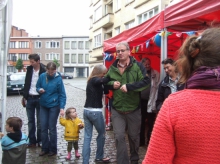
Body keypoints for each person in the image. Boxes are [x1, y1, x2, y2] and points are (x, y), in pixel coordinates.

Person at [143, 28, 220, 163]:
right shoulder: (165, 86)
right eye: (165, 68)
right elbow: (159, 98)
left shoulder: (174, 105)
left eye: (168, 67)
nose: (166, 70)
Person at [105, 42, 150, 164]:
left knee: (134, 137)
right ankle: (122, 161)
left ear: (129, 51)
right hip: (117, 109)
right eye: (118, 51)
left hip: (133, 109)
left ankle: (134, 159)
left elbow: (146, 81)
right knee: (119, 136)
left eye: (122, 50)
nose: (120, 53)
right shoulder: (113, 68)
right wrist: (111, 85)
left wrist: (130, 87)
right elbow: (105, 82)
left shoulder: (138, 66)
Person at [36, 62, 66, 157]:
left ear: (55, 70)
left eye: (52, 72)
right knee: (43, 127)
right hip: (43, 105)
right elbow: (37, 86)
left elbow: (62, 94)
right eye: (48, 72)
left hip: (54, 105)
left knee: (52, 128)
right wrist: (39, 89)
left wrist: (61, 107)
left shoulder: (58, 78)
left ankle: (53, 149)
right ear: (46, 70)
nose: (50, 74)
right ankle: (45, 148)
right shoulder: (42, 76)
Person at [82, 64, 110, 164]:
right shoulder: (94, 80)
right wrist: (110, 75)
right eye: (103, 73)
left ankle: (85, 161)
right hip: (95, 112)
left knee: (87, 137)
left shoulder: (92, 81)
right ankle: (99, 156)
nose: (104, 75)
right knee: (102, 134)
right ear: (98, 73)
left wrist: (106, 84)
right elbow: (102, 80)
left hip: (86, 111)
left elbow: (106, 90)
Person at [23, 53, 46, 147]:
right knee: (30, 121)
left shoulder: (44, 70)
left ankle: (40, 140)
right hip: (30, 97)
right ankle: (32, 141)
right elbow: (26, 83)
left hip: (40, 98)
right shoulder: (29, 69)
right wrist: (24, 96)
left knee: (40, 121)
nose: (31, 63)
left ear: (38, 61)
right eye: (30, 62)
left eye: (32, 62)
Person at [139, 58, 160, 146]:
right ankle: (141, 141)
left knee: (151, 123)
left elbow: (158, 86)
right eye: (145, 64)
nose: (147, 66)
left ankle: (150, 141)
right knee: (141, 122)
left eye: (148, 64)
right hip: (141, 102)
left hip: (152, 101)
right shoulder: (139, 73)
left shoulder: (155, 73)